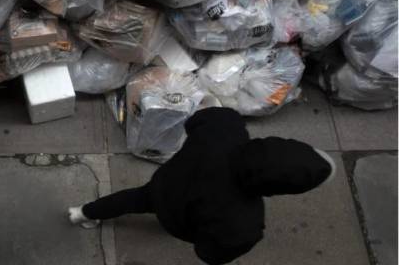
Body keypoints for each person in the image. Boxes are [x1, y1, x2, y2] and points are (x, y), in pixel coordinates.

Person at [68, 107, 336, 265]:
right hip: (181, 223)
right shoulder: (243, 224)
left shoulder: (226, 128)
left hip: (165, 185)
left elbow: (196, 120)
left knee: (131, 199)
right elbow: (209, 254)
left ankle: (84, 213)